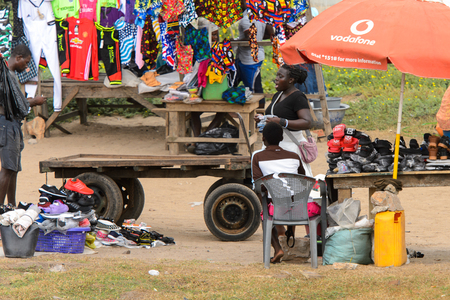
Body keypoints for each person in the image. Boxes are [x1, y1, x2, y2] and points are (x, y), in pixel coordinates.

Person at [252, 122, 305, 263]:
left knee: (265, 210)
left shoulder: (258, 157)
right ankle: (290, 234)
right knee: (291, 195)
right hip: (298, 209)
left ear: (263, 138)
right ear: (281, 138)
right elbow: (302, 180)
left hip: (276, 209)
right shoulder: (294, 156)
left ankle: (277, 249)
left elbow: (259, 185)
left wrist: (273, 185)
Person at [0, 44, 46, 206]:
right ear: (18, 58)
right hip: (6, 124)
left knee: (12, 169)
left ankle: (11, 205)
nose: (26, 66)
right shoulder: (6, 75)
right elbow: (19, 106)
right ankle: (1, 209)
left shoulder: (9, 75)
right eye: (25, 62)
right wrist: (35, 101)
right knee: (7, 168)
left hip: (10, 124)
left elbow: (15, 103)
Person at [255, 63, 313, 177]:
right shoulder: (278, 95)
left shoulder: (298, 97)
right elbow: (274, 117)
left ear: (291, 80)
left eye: (280, 77)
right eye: (277, 76)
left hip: (289, 148)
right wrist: (262, 120)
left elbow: (307, 122)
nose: (276, 79)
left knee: (292, 182)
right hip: (272, 147)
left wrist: (282, 122)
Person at [234, 1, 274, 108]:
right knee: (232, 83)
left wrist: (235, 41)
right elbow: (271, 32)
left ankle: (259, 115)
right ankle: (227, 112)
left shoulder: (245, 20)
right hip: (247, 58)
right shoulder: (259, 17)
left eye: (242, 3)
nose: (240, 5)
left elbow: (249, 37)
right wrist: (259, 37)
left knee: (255, 89)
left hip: (249, 60)